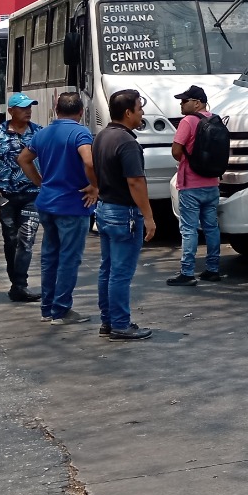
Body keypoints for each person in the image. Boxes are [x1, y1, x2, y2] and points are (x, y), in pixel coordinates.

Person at [18, 91, 96, 323]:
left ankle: (48, 307)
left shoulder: (43, 133)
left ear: (56, 110)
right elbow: (89, 160)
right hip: (72, 204)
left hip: (47, 202)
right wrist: (95, 186)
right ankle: (61, 310)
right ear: (81, 112)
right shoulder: (80, 132)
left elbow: (23, 159)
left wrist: (41, 182)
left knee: (50, 256)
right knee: (69, 258)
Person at [93, 89, 156, 341]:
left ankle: (108, 320)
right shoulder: (127, 142)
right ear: (128, 112)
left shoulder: (102, 136)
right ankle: (120, 323)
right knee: (120, 272)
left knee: (107, 269)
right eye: (140, 109)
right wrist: (149, 217)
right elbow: (136, 182)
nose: (142, 114)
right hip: (123, 213)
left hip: (105, 209)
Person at [0, 93, 43, 303]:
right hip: (5, 195)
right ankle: (15, 284)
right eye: (23, 107)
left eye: (30, 107)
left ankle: (20, 285)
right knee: (11, 239)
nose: (28, 111)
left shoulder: (38, 132)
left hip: (32, 195)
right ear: (11, 111)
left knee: (26, 239)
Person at [168, 84, 223, 287]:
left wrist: (187, 161)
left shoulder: (188, 121)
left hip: (190, 184)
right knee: (211, 228)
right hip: (212, 183)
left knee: (189, 229)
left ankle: (187, 272)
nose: (181, 104)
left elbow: (176, 151)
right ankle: (213, 269)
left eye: (184, 101)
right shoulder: (215, 119)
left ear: (197, 103)